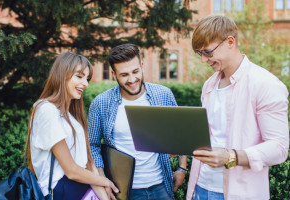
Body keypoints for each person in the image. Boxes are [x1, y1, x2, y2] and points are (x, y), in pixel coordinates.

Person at [186, 15, 289, 200]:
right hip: (200, 187)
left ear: (230, 42)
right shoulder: (209, 85)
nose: (203, 60)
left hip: (240, 194)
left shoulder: (266, 84)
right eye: (200, 53)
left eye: (207, 52)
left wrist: (230, 157)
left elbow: (279, 148)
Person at [88, 43, 188, 200]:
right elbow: (92, 145)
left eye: (135, 71)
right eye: (124, 74)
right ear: (114, 74)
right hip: (123, 190)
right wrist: (102, 181)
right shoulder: (101, 103)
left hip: (161, 187)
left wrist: (182, 168)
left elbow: (180, 133)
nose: (132, 79)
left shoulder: (163, 95)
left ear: (142, 66)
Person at [26, 52, 119, 200]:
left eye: (87, 78)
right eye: (79, 76)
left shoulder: (72, 117)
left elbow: (87, 164)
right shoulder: (46, 109)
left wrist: (104, 196)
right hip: (60, 190)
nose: (86, 84)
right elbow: (71, 170)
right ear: (62, 74)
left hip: (81, 187)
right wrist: (105, 181)